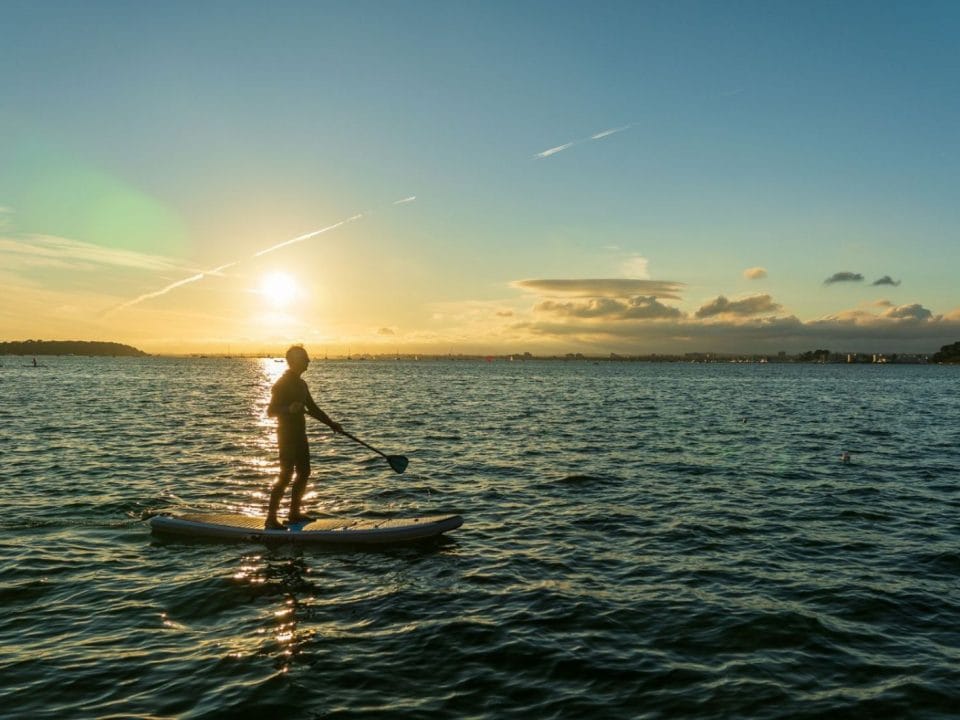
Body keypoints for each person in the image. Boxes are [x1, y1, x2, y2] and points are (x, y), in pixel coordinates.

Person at [265, 345, 343, 529]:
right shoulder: (282, 384)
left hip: (300, 434)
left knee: (304, 472)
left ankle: (294, 513)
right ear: (293, 361)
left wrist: (331, 424)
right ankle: (271, 519)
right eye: (305, 358)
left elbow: (313, 409)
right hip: (286, 436)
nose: (308, 361)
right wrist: (288, 409)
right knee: (286, 475)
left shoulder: (301, 384)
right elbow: (271, 411)